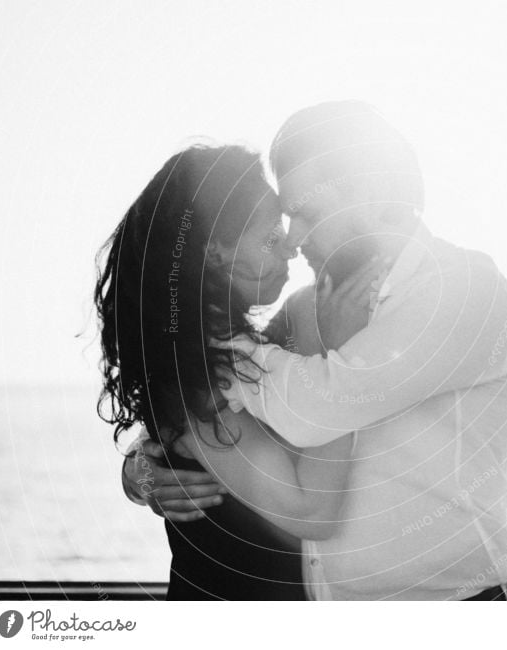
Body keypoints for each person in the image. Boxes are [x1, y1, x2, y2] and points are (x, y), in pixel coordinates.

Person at [125, 101, 507, 600]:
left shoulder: (464, 291)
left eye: (305, 213)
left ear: (375, 194)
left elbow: (313, 410)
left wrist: (185, 374)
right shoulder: (304, 307)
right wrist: (143, 466)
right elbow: (200, 400)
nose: (292, 239)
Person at [96, 144, 376, 600]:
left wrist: (140, 465)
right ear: (214, 253)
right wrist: (340, 357)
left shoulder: (243, 345)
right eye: (270, 233)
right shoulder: (198, 374)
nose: (290, 243)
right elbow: (311, 511)